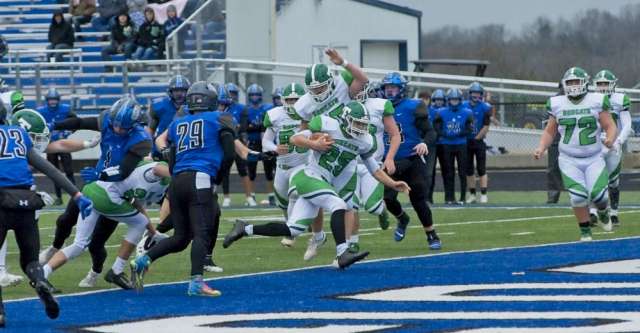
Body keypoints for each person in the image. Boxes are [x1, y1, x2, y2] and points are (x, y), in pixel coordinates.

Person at [223, 101, 409, 269]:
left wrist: (393, 184)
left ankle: (244, 229)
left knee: (293, 228)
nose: (360, 128)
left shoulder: (366, 141)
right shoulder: (327, 124)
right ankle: (342, 253)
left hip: (321, 183)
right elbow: (295, 139)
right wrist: (315, 145)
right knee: (339, 204)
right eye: (357, 123)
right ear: (345, 119)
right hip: (308, 176)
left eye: (363, 124)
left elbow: (374, 170)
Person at [130, 82, 236, 296]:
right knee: (201, 233)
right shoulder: (221, 118)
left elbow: (172, 156)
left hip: (177, 180)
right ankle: (196, 283)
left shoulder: (179, 123)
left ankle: (142, 260)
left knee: (180, 238)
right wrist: (217, 177)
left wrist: (178, 174)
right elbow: (229, 154)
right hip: (200, 177)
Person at [0, 108, 93, 326]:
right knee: (31, 260)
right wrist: (77, 194)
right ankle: (39, 280)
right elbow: (49, 169)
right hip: (27, 201)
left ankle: (1, 313)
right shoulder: (19, 134)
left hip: (1, 200)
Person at [38, 97, 152, 268]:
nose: (117, 128)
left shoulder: (141, 139)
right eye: (115, 123)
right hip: (94, 184)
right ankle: (54, 248)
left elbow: (123, 171)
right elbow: (79, 122)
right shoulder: (107, 119)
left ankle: (95, 272)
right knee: (65, 220)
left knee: (97, 243)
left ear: (134, 124)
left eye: (123, 126)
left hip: (117, 190)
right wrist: (55, 125)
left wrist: (100, 174)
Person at [42, 159, 168, 290]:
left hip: (91, 191)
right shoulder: (163, 169)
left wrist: (153, 232)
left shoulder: (161, 179)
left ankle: (43, 274)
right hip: (106, 196)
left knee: (79, 244)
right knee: (140, 222)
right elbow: (157, 169)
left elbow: (136, 205)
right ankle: (116, 271)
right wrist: (178, 172)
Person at [534, 67, 616, 241]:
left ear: (585, 82)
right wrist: (541, 147)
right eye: (569, 82)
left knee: (599, 196)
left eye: (576, 82)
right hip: (569, 158)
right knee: (578, 197)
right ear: (564, 84)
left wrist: (609, 138)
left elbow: (609, 125)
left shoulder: (596, 100)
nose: (573, 86)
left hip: (594, 157)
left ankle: (602, 211)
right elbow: (550, 131)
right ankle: (585, 231)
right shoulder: (557, 103)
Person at [380, 73, 440, 250]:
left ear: (402, 89)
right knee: (388, 199)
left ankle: (431, 234)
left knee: (417, 198)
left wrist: (424, 143)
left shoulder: (413, 106)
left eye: (394, 87)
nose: (390, 90)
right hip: (390, 161)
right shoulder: (378, 107)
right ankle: (402, 218)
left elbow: (430, 133)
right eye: (387, 87)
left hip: (412, 159)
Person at [261, 83, 307, 247]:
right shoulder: (275, 115)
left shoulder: (310, 114)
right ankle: (292, 227)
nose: (293, 103)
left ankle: (292, 232)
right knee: (283, 201)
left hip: (303, 164)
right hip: (282, 166)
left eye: (296, 100)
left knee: (295, 194)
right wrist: (275, 148)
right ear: (283, 100)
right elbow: (265, 141)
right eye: (290, 100)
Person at [588, 70, 631, 227]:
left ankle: (614, 213)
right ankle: (592, 212)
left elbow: (627, 124)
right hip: (596, 144)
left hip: (613, 144)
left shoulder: (620, 99)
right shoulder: (590, 100)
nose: (603, 87)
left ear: (613, 84)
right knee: (594, 178)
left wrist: (618, 141)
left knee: (613, 182)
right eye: (600, 84)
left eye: (606, 83)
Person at [36, 88, 77, 205]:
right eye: (50, 100)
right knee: (54, 172)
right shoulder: (41, 111)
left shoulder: (66, 109)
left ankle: (74, 196)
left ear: (58, 100)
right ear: (47, 100)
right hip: (50, 145)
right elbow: (36, 126)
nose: (52, 102)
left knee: (69, 171)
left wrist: (68, 132)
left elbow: (76, 122)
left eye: (54, 100)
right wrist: (43, 136)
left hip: (63, 144)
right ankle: (59, 197)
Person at [218, 85, 255, 207]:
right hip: (223, 142)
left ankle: (249, 196)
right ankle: (226, 197)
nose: (232, 95)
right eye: (230, 93)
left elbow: (243, 127)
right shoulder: (215, 111)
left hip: (237, 140)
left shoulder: (240, 108)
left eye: (233, 93)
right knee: (224, 171)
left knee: (243, 170)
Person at [434, 88, 473, 204]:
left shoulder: (467, 112)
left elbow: (470, 128)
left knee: (462, 171)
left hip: (461, 144)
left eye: (456, 99)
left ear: (460, 100)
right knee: (448, 172)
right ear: (448, 100)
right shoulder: (441, 112)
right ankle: (448, 198)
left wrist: (459, 133)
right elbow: (436, 126)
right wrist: (444, 134)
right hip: (446, 145)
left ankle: (462, 198)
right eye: (452, 99)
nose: (454, 102)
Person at [245, 83, 276, 206]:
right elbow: (245, 127)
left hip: (265, 141)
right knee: (251, 171)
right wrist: (255, 127)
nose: (254, 97)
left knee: (269, 170)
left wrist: (255, 126)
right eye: (252, 95)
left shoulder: (267, 108)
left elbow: (266, 125)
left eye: (257, 94)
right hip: (251, 142)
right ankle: (251, 195)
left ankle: (271, 195)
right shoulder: (246, 109)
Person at [148, 74, 190, 160]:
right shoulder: (159, 106)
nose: (179, 94)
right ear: (170, 91)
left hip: (185, 148)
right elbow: (150, 129)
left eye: (182, 90)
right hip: (163, 148)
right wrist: (147, 151)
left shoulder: (193, 105)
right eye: (176, 91)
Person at [464, 82, 492, 204]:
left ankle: (484, 194)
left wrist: (477, 138)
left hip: (478, 141)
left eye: (478, 93)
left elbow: (486, 125)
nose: (476, 95)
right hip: (466, 141)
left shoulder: (485, 107)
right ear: (470, 93)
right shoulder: (464, 106)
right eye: (474, 92)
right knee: (469, 169)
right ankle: (472, 194)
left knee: (481, 169)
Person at [546, 80, 564, 204]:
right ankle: (552, 196)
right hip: (557, 139)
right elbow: (549, 125)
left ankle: (582, 197)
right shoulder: (555, 101)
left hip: (575, 141)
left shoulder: (585, 100)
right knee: (553, 169)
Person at [427, 89, 446, 204]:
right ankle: (429, 197)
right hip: (432, 145)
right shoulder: (431, 111)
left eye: (441, 100)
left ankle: (449, 197)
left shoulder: (444, 112)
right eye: (437, 100)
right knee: (430, 172)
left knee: (447, 171)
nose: (439, 102)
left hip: (444, 144)